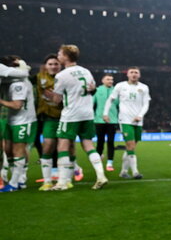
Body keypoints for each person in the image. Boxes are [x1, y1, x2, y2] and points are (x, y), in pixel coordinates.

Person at [41, 44, 108, 190]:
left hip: (71, 115)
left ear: (65, 56)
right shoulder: (86, 71)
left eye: (60, 54)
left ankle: (62, 182)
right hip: (87, 113)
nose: (58, 56)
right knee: (89, 145)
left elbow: (57, 100)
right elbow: (92, 89)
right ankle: (101, 176)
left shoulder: (62, 75)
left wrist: (48, 95)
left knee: (63, 146)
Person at [104, 67, 150, 179]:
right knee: (130, 145)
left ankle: (123, 171)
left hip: (138, 121)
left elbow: (146, 104)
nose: (134, 74)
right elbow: (110, 99)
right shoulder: (120, 86)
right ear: (127, 74)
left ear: (139, 75)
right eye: (131, 72)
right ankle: (135, 172)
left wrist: (140, 115)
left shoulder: (144, 87)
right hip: (125, 120)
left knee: (131, 147)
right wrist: (105, 113)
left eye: (136, 72)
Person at [0, 57, 35, 191]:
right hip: (12, 120)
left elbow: (17, 105)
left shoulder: (19, 83)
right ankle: (19, 179)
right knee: (8, 150)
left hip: (24, 120)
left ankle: (15, 183)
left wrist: (1, 102)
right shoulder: (11, 81)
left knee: (18, 150)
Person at [35, 54, 63, 188]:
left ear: (60, 65)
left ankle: (65, 176)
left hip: (65, 116)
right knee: (47, 145)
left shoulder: (65, 78)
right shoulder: (38, 78)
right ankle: (48, 179)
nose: (53, 66)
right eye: (50, 64)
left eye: (56, 64)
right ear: (45, 66)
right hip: (46, 116)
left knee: (66, 147)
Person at [94, 73, 119, 172]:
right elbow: (92, 104)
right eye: (108, 79)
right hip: (99, 120)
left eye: (112, 80)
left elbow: (121, 104)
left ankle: (109, 163)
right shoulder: (97, 90)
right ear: (102, 80)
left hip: (112, 120)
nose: (110, 81)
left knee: (111, 142)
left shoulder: (116, 91)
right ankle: (98, 159)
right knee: (100, 142)